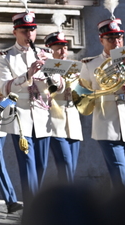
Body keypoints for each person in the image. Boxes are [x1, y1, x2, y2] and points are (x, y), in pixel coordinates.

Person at [80, 2, 125, 189]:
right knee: (121, 177)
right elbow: (80, 92)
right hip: (105, 124)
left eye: (119, 37)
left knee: (122, 176)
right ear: (101, 40)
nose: (116, 42)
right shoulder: (90, 64)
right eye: (111, 38)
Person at [0, 8, 60, 203]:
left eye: (31, 30)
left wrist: (51, 72)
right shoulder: (5, 56)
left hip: (42, 117)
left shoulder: (46, 54)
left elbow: (59, 84)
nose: (28, 34)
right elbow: (5, 87)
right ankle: (33, 210)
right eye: (24, 30)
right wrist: (28, 75)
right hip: (20, 118)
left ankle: (37, 205)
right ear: (15, 32)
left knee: (40, 166)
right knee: (27, 165)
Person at [44, 29, 82, 182]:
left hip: (73, 124)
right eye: (58, 47)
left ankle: (64, 202)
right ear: (49, 49)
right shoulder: (46, 67)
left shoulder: (74, 67)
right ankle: (69, 203)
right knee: (65, 164)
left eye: (65, 46)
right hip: (55, 123)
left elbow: (81, 94)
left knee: (70, 167)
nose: (63, 50)